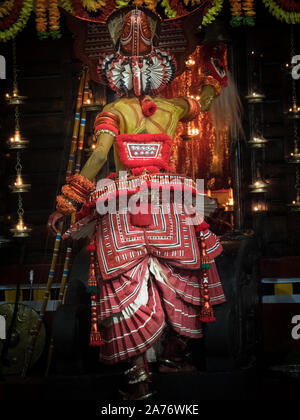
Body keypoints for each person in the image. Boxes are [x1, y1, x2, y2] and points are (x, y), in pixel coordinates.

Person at [47, 6, 226, 400]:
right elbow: (206, 101)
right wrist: (217, 77)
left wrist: (67, 202)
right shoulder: (174, 108)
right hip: (172, 202)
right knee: (179, 277)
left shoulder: (113, 111)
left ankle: (138, 371)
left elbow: (96, 160)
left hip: (123, 203)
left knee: (125, 281)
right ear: (161, 69)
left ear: (115, 72)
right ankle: (175, 357)